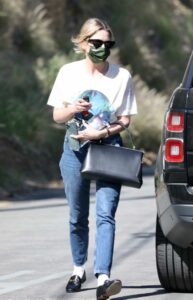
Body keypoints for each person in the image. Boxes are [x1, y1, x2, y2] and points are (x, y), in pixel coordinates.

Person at [47, 17, 137, 300]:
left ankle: (103, 278)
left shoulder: (122, 77)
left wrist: (104, 133)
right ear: (84, 43)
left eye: (108, 44)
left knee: (105, 214)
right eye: (97, 43)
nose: (103, 48)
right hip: (74, 148)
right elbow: (56, 115)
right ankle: (78, 269)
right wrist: (73, 108)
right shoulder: (68, 73)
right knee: (77, 216)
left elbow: (125, 120)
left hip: (108, 147)